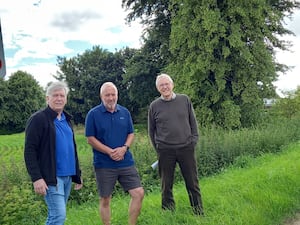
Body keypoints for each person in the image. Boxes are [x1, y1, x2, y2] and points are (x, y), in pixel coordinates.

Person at [85, 81, 144, 225]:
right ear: (101, 96)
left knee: (138, 193)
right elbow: (90, 139)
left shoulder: (124, 112)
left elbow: (131, 133)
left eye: (113, 95)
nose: (111, 98)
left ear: (117, 95)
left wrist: (124, 148)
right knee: (105, 198)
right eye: (107, 95)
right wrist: (109, 151)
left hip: (125, 161)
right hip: (104, 164)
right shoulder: (93, 114)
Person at [24, 81, 83, 225]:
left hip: (68, 177)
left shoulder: (66, 120)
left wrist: (78, 174)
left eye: (62, 95)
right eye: (55, 95)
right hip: (52, 177)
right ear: (47, 98)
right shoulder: (38, 119)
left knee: (57, 216)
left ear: (66, 99)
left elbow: (71, 149)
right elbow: (29, 151)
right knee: (58, 216)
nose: (59, 98)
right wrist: (36, 178)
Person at [148, 73, 204, 215]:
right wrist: (158, 149)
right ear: (157, 88)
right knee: (166, 185)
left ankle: (198, 212)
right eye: (161, 85)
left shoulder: (184, 100)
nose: (165, 87)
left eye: (167, 84)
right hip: (165, 151)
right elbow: (151, 131)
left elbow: (193, 123)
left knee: (192, 183)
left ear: (172, 85)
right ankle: (168, 213)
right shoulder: (154, 106)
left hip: (186, 148)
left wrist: (193, 141)